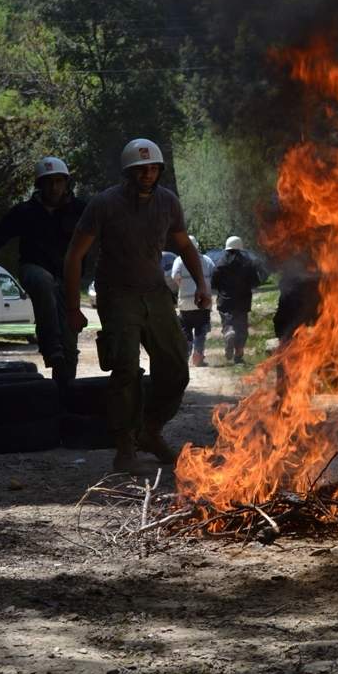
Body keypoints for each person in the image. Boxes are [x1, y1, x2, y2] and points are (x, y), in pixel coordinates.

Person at [64, 138, 210, 474]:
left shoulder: (168, 202)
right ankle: (125, 447)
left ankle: (150, 430)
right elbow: (74, 255)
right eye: (141, 169)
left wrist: (201, 283)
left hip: (156, 292)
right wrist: (73, 307)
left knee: (176, 368)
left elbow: (185, 245)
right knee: (126, 369)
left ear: (160, 171)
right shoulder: (104, 204)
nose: (147, 174)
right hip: (117, 294)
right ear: (128, 172)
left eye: (153, 169)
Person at [0, 156, 86, 382]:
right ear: (40, 185)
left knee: (69, 349)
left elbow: (103, 238)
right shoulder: (24, 212)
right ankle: (49, 345)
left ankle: (64, 397)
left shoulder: (81, 211)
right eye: (48, 182)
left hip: (68, 279)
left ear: (66, 183)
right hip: (32, 270)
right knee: (44, 281)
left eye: (58, 181)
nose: (54, 187)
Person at [211, 235, 262, 364]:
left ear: (227, 247)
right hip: (243, 301)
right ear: (240, 248)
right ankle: (239, 354)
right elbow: (256, 282)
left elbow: (213, 283)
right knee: (242, 327)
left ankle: (229, 331)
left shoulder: (221, 263)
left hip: (225, 301)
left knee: (228, 322)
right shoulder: (248, 263)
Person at [172, 235, 215, 367]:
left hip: (185, 304)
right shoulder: (207, 260)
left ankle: (186, 352)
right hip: (203, 302)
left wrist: (184, 287)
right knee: (201, 330)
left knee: (186, 329)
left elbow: (175, 276)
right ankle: (198, 355)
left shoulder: (179, 261)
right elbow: (214, 276)